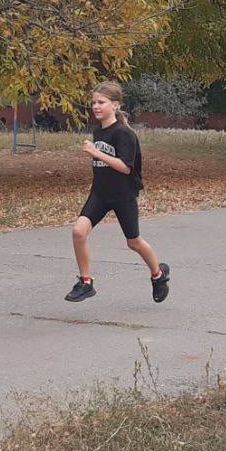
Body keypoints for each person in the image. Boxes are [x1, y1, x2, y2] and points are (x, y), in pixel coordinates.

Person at [65, 81, 171, 303]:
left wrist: (96, 153)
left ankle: (158, 275)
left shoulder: (124, 134)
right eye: (93, 102)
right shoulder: (98, 131)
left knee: (133, 242)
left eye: (101, 102)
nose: (96, 106)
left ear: (115, 105)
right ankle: (86, 282)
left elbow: (124, 167)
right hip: (100, 194)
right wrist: (97, 155)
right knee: (78, 232)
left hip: (123, 195)